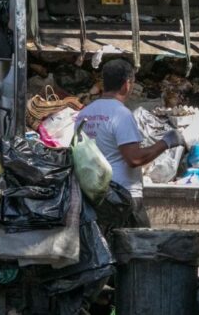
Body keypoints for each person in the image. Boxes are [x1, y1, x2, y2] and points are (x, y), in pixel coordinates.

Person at [74, 59, 185, 227]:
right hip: (122, 196)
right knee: (139, 248)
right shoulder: (121, 114)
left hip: (93, 194)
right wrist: (167, 142)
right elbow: (134, 159)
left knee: (106, 248)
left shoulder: (84, 114)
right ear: (127, 84)